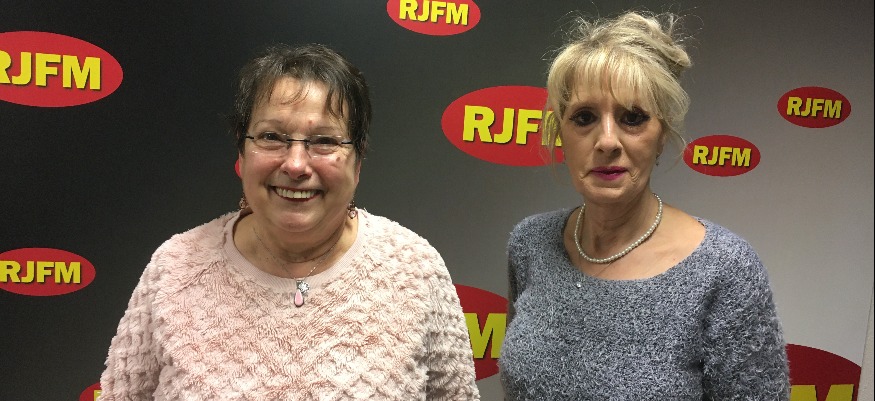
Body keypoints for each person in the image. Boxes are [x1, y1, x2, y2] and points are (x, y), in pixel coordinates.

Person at [97, 43, 480, 400]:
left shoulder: (415, 271)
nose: (296, 165)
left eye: (324, 141)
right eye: (272, 137)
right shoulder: (175, 269)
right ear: (242, 151)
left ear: (358, 161)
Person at [498, 11, 790, 400]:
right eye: (584, 117)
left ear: (662, 134)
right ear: (560, 133)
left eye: (632, 118)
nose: (607, 141)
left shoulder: (725, 270)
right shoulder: (531, 243)